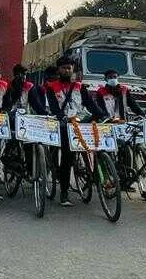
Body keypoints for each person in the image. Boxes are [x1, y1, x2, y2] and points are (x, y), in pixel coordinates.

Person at [44, 56, 103, 208]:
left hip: (81, 123)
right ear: (59, 70)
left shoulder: (80, 86)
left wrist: (101, 115)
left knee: (95, 149)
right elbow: (53, 107)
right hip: (63, 126)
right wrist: (62, 117)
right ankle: (64, 192)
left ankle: (97, 179)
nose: (67, 70)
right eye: (64, 68)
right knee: (66, 159)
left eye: (69, 67)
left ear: (73, 69)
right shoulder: (51, 87)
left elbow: (90, 103)